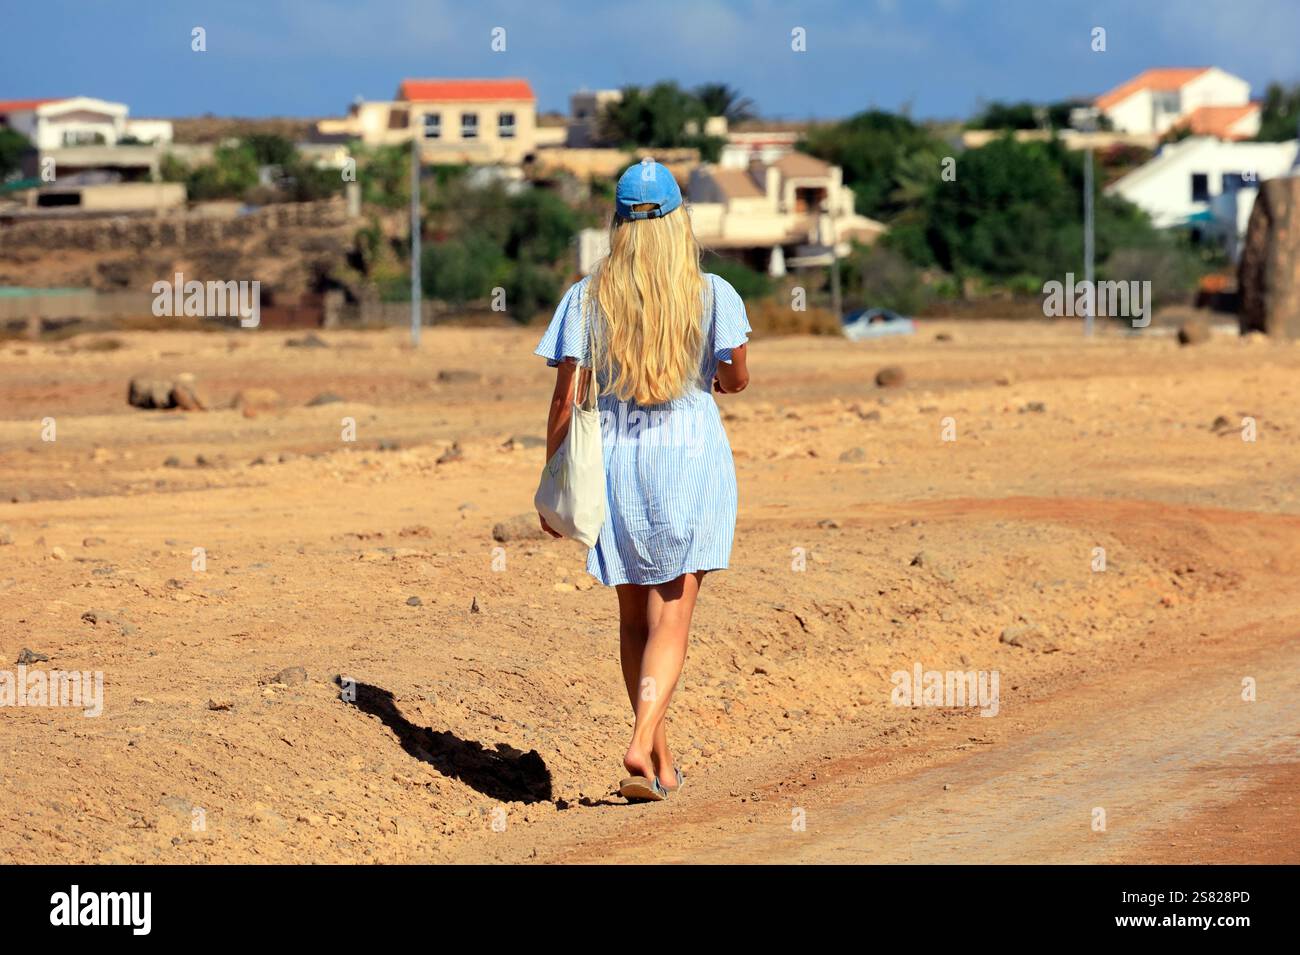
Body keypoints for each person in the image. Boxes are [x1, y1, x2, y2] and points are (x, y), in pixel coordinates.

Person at [535, 159, 751, 802]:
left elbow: (564, 400)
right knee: (674, 614)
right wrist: (715, 373)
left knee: (634, 614)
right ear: (680, 219)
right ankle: (641, 742)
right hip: (689, 455)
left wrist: (552, 482)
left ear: (618, 223)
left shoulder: (586, 296)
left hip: (618, 458)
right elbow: (735, 379)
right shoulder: (714, 293)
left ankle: (661, 762)